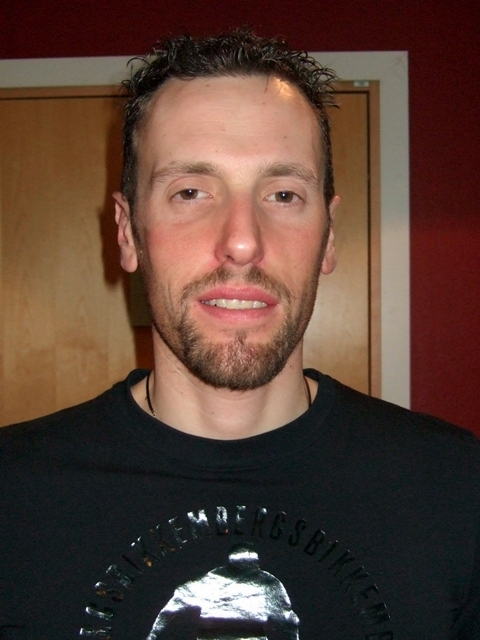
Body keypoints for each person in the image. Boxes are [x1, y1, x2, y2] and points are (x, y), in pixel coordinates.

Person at [0, 29, 479, 640]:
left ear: (328, 236)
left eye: (282, 194)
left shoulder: (454, 489)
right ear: (127, 232)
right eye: (190, 192)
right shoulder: (14, 495)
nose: (243, 241)